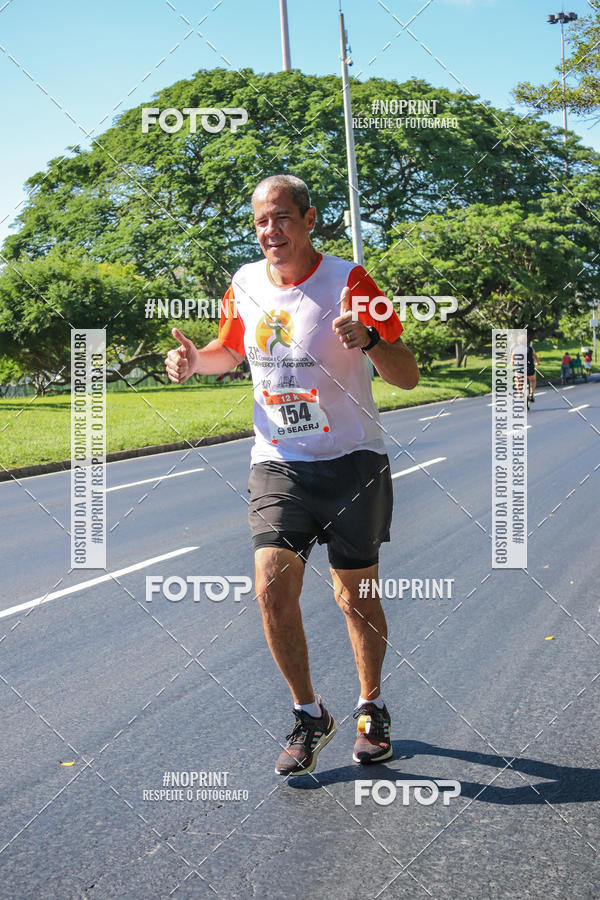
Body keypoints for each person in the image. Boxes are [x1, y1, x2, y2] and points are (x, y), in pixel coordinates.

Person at [165, 174, 419, 776]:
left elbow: (407, 373)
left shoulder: (350, 281)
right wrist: (196, 360)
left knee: (355, 596)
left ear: (309, 219)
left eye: (281, 217)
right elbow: (229, 351)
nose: (269, 231)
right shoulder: (245, 284)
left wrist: (371, 338)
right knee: (272, 588)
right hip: (278, 460)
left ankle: (371, 707)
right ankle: (309, 714)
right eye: (260, 221)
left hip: (353, 460)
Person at [527, 339, 540, 403]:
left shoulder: (516, 349)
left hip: (520, 370)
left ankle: (521, 393)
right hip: (530, 369)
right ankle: (531, 393)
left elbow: (512, 361)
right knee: (533, 380)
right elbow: (535, 356)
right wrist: (538, 362)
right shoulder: (530, 348)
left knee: (518, 380)